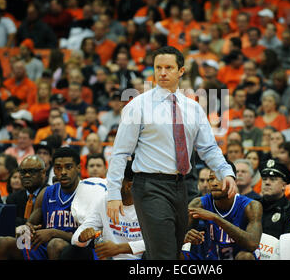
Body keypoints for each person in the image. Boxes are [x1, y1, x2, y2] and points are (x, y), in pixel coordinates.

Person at [106, 46, 237, 260]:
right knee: (163, 255)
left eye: (169, 67)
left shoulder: (193, 108)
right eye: (158, 67)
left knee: (175, 253)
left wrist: (225, 172)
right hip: (149, 185)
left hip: (182, 185)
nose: (163, 73)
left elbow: (209, 147)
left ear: (181, 71)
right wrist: (112, 193)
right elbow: (120, 153)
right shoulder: (137, 106)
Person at [0, 147, 80, 260]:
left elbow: (87, 236)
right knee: (2, 242)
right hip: (45, 246)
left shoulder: (87, 192)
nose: (63, 172)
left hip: (75, 247)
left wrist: (53, 233)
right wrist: (26, 230)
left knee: (55, 244)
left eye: (68, 167)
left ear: (78, 168)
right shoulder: (46, 193)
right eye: (58, 168)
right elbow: (30, 224)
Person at [67, 160, 145, 260]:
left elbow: (158, 242)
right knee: (71, 251)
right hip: (110, 258)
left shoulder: (147, 205)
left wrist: (119, 248)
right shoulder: (105, 200)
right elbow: (76, 238)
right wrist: (82, 237)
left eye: (114, 182)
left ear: (129, 186)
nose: (108, 184)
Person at [183, 170, 262, 260]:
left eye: (220, 178)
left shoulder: (251, 206)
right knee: (178, 253)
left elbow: (252, 244)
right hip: (212, 257)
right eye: (211, 179)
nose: (214, 183)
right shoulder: (198, 204)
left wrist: (216, 218)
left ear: (233, 182)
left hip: (238, 256)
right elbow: (179, 238)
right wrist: (188, 237)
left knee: (245, 257)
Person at [259, 159, 290, 239]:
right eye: (264, 179)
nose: (267, 182)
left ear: (284, 186)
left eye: (273, 179)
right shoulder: (253, 205)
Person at [5, 155, 48, 227]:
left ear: (43, 173)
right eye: (23, 172)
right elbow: (9, 221)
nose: (27, 175)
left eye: (32, 171)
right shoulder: (12, 198)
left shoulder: (51, 195)